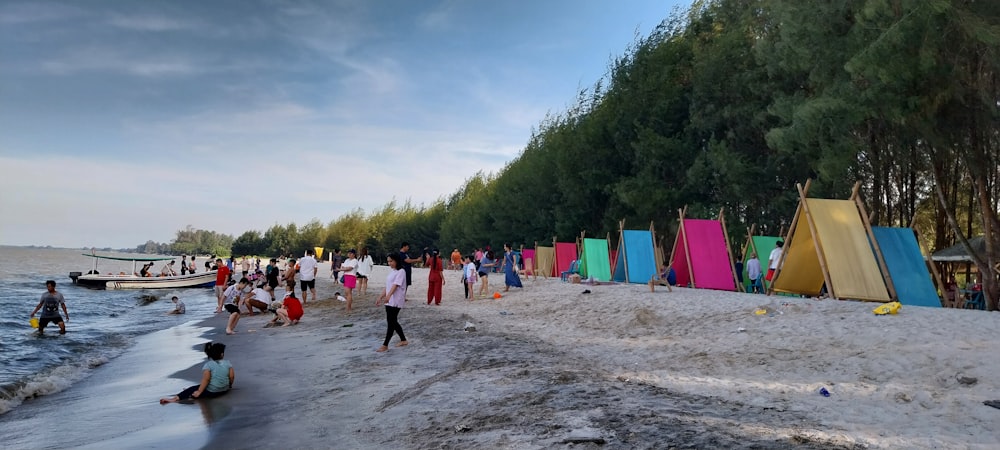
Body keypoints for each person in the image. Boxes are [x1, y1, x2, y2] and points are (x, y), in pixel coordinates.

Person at [159, 342, 233, 404]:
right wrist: (229, 385)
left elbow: (206, 379)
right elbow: (232, 376)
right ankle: (194, 392)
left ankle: (174, 399)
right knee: (202, 386)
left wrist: (199, 391)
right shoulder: (227, 363)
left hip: (213, 392)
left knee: (193, 389)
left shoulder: (208, 365)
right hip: (224, 390)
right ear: (222, 354)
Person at [375, 253, 408, 352]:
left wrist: (389, 295)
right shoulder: (392, 272)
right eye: (388, 261)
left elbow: (396, 285)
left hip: (396, 300)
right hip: (389, 300)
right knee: (392, 321)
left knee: (391, 322)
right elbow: (388, 286)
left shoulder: (401, 271)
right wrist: (381, 296)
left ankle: (385, 344)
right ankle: (403, 339)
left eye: (391, 261)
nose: (389, 263)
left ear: (396, 260)